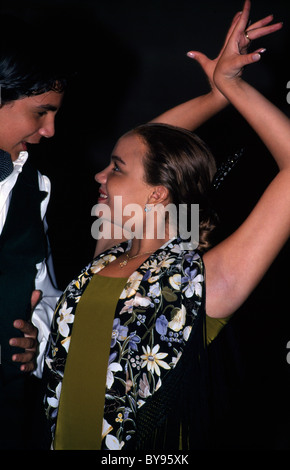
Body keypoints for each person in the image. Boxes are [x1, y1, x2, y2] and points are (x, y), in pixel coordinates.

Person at [43, 0, 288, 450]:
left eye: (115, 168)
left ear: (157, 194)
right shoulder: (108, 250)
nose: (100, 175)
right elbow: (149, 140)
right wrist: (215, 95)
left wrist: (235, 87)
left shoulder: (207, 278)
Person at [0, 15, 68, 448]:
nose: (49, 131)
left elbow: (45, 290)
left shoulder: (36, 186)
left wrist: (37, 337)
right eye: (40, 112)